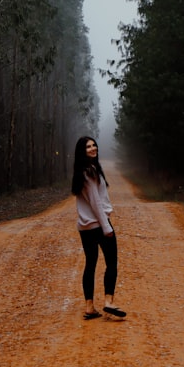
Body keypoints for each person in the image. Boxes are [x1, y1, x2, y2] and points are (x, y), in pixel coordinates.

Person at [71, 136, 127, 320]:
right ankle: (108, 302)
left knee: (91, 263)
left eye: (94, 145)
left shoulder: (82, 172)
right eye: (88, 146)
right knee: (111, 262)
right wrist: (106, 227)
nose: (93, 148)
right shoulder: (89, 172)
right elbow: (95, 202)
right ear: (82, 151)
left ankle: (89, 308)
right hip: (99, 224)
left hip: (85, 227)